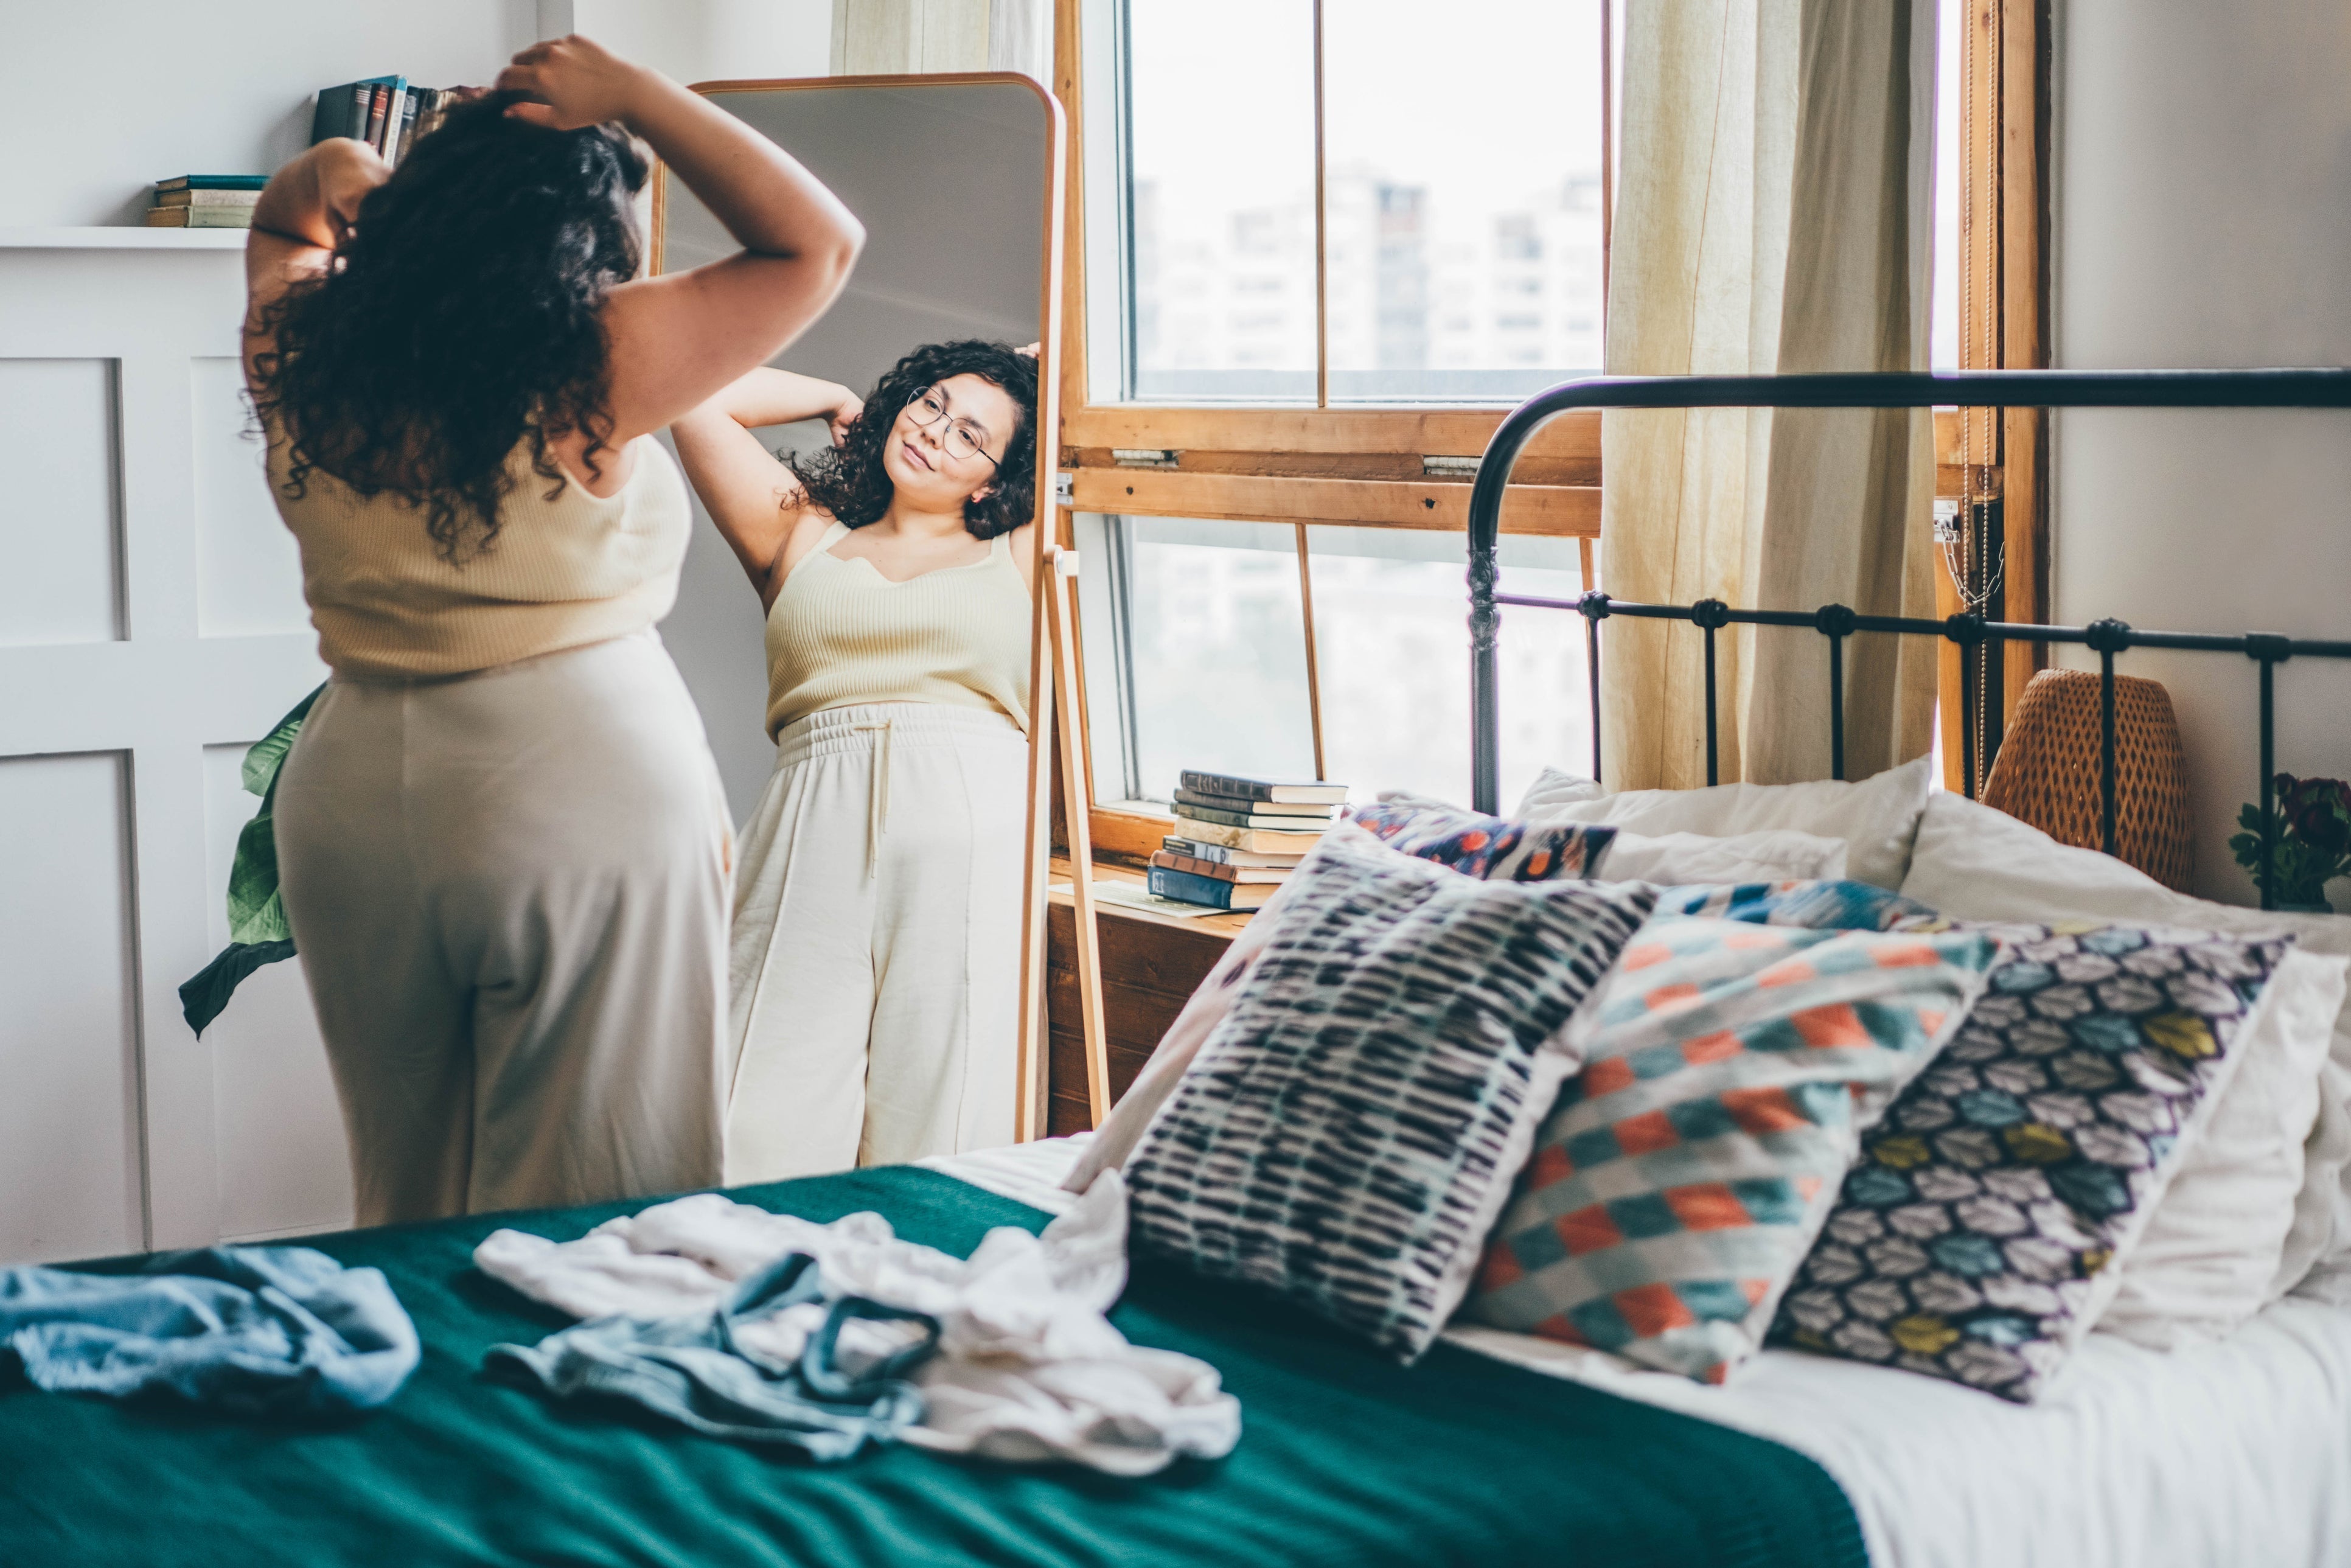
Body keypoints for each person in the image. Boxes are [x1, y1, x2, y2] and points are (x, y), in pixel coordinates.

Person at [245, 37, 865, 1225]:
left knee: (406, 1190)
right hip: (574, 785)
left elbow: (291, 213)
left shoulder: (312, 346)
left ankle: (421, 1400)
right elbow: (816, 242)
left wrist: (378, 182)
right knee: (600, 1195)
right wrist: (633, 93)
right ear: (579, 238)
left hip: (358, 791)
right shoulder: (587, 358)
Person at [670, 341, 1039, 1182]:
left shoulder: (1017, 551)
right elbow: (694, 390)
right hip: (812, 816)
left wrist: (1033, 366)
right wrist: (836, 394)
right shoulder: (799, 530)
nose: (935, 431)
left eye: (970, 435)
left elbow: (1094, 414)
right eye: (931, 404)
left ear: (993, 480)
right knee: (749, 1116)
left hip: (971, 826)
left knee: (943, 1125)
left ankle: (914, 1306)